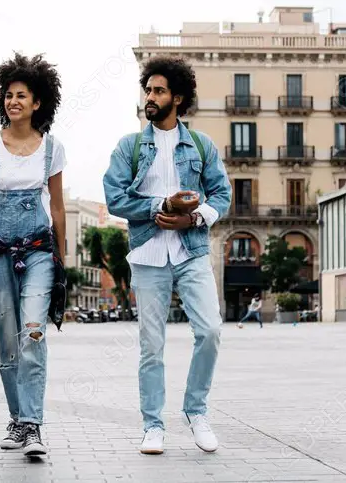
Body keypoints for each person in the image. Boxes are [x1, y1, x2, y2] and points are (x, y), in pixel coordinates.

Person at [103, 56, 232, 456]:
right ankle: (152, 425)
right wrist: (163, 203)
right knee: (151, 345)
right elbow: (115, 198)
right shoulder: (130, 146)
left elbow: (222, 196)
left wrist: (192, 218)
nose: (150, 97)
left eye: (158, 91)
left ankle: (196, 411)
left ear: (177, 97)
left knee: (210, 330)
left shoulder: (200, 145)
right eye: (148, 90)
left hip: (191, 251)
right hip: (147, 253)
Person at [0, 53, 67, 458]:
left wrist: (64, 259)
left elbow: (58, 207)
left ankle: (33, 425)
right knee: (8, 344)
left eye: (21, 95)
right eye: (8, 95)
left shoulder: (53, 149)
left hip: (40, 252)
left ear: (37, 102)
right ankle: (17, 419)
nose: (13, 102)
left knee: (33, 333)